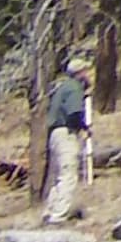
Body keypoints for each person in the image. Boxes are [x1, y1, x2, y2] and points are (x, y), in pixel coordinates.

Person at [44, 60, 94, 220]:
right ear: (80, 72)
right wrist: (84, 128)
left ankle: (50, 210)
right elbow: (74, 112)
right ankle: (59, 214)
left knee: (58, 174)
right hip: (66, 133)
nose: (89, 74)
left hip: (54, 134)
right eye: (87, 70)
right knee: (68, 173)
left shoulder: (62, 88)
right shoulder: (74, 88)